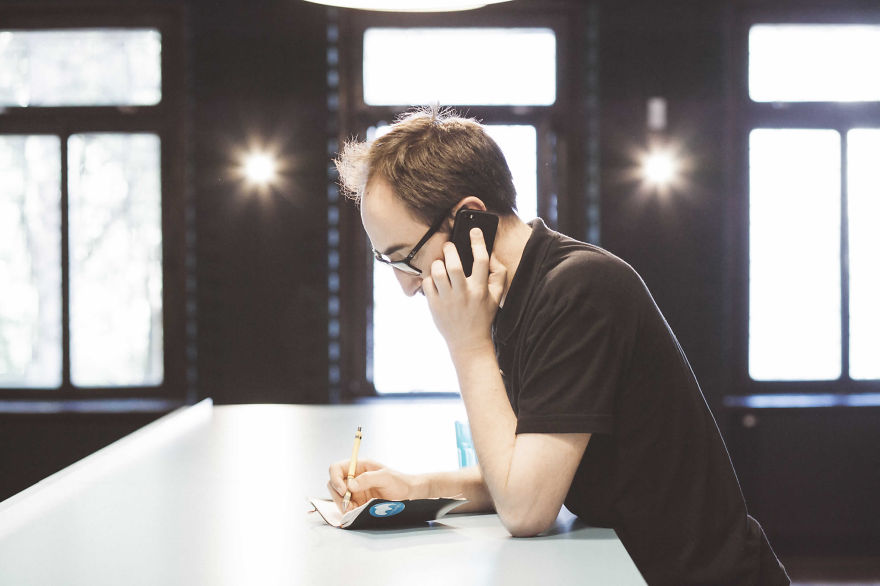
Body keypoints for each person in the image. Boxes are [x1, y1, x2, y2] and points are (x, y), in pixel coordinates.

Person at [327, 106, 789, 585]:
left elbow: (526, 508)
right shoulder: (517, 297)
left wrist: (467, 346)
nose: (407, 285)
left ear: (470, 221)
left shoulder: (580, 290)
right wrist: (415, 487)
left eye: (407, 258)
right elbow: (526, 468)